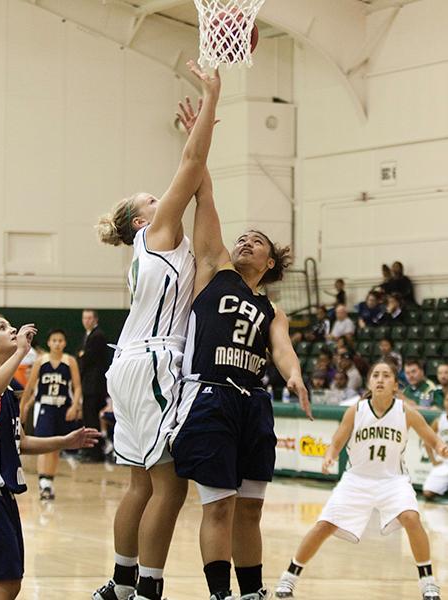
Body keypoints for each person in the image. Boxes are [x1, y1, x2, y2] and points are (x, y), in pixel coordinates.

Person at [170, 99, 311, 600]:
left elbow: (283, 350)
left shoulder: (272, 309)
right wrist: (198, 137)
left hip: (253, 402)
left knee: (251, 507)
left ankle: (251, 592)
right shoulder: (215, 270)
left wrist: (294, 376)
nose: (246, 242)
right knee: (220, 506)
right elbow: (202, 193)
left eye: (257, 241)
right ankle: (220, 594)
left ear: (271, 262)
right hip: (209, 396)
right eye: (243, 237)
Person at [92, 62, 221, 600]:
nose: (161, 197)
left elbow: (201, 191)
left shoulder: (166, 247)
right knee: (169, 483)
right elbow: (190, 166)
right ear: (142, 220)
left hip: (131, 364)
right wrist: (211, 102)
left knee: (140, 482)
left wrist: (204, 138)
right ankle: (148, 590)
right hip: (155, 362)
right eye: (151, 199)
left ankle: (121, 586)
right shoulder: (157, 235)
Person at [275, 359, 448, 600]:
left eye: (386, 375)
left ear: (395, 385)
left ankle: (428, 582)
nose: (380, 379)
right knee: (324, 525)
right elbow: (336, 442)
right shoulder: (356, 410)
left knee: (411, 517)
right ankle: (289, 578)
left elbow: (432, 438)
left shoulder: (406, 412)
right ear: (369, 382)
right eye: (375, 375)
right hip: (356, 479)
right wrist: (329, 457)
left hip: (393, 481)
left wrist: (441, 447)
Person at [0, 314, 99, 600]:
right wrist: (23, 352)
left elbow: (20, 443)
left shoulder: (8, 388)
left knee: (9, 579)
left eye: (10, 325)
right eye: (2, 328)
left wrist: (65, 440)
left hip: (2, 494)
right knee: (7, 580)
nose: (12, 329)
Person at [20, 329, 81, 500]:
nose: (57, 343)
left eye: (60, 340)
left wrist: (74, 406)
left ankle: (49, 481)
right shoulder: (41, 361)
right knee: (43, 445)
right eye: (54, 340)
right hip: (45, 406)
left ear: (65, 343)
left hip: (63, 407)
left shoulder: (70, 361)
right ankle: (43, 482)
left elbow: (77, 388)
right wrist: (23, 408)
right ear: (48, 343)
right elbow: (30, 387)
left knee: (56, 446)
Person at [77, 309, 108, 461]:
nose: (87, 321)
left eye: (89, 318)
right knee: (89, 418)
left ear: (96, 319)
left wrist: (82, 356)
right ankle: (91, 450)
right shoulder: (87, 335)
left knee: (92, 418)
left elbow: (87, 358)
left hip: (94, 386)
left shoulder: (98, 336)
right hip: (88, 385)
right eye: (84, 318)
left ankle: (95, 452)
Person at [423, 393, 448, 501]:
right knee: (427, 493)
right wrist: (433, 461)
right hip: (444, 463)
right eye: (447, 399)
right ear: (444, 402)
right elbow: (427, 441)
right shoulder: (439, 421)